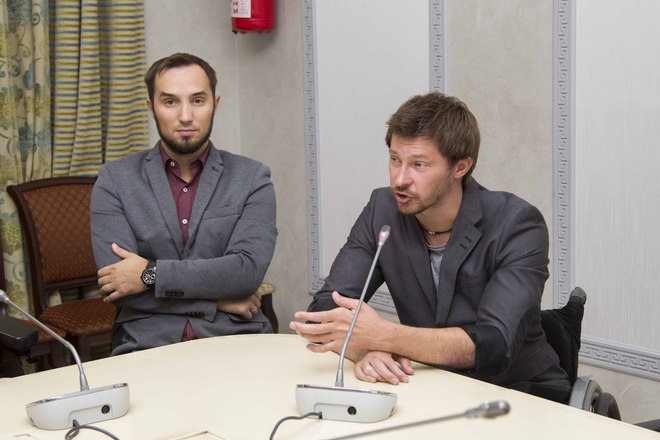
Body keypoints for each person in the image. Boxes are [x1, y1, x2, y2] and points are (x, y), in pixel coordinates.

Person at [290, 92, 571, 403]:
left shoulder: (516, 224)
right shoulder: (382, 210)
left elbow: (493, 344)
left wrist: (386, 336)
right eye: (395, 160)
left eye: (419, 165)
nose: (400, 179)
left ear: (460, 167)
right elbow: (324, 309)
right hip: (427, 388)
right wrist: (364, 349)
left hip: (518, 393)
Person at [91, 53, 277, 355]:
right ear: (151, 107)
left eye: (198, 100)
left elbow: (246, 273)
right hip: (146, 346)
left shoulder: (252, 177)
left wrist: (149, 274)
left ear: (215, 104)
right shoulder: (114, 180)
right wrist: (217, 301)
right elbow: (119, 286)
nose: (186, 116)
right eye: (170, 102)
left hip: (236, 342)